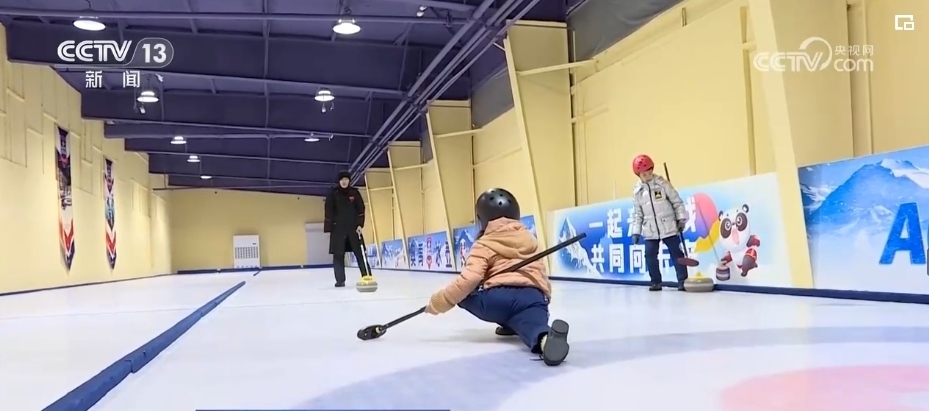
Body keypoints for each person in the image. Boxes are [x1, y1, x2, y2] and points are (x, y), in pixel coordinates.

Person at [424, 188, 570, 366]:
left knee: (464, 293)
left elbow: (469, 279)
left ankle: (511, 322)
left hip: (496, 299)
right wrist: (542, 301)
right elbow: (540, 274)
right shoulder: (531, 240)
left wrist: (442, 300)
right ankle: (545, 339)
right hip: (532, 297)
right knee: (534, 326)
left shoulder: (484, 243)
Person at [630, 154, 690, 291]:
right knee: (650, 255)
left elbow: (677, 202)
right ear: (638, 175)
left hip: (668, 226)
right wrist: (636, 232)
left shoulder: (662, 184)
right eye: (644, 174)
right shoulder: (637, 192)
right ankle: (656, 282)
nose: (648, 176)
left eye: (649, 172)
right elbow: (638, 214)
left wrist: (681, 219)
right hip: (650, 230)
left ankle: (683, 281)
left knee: (676, 254)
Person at [324, 171, 369, 287]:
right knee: (338, 255)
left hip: (353, 229)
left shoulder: (355, 193)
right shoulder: (333, 194)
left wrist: (360, 225)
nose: (344, 182)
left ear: (349, 181)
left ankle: (366, 276)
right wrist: (329, 229)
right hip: (338, 230)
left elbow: (361, 209)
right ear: (339, 181)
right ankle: (340, 280)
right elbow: (328, 211)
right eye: (342, 180)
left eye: (346, 179)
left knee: (360, 253)